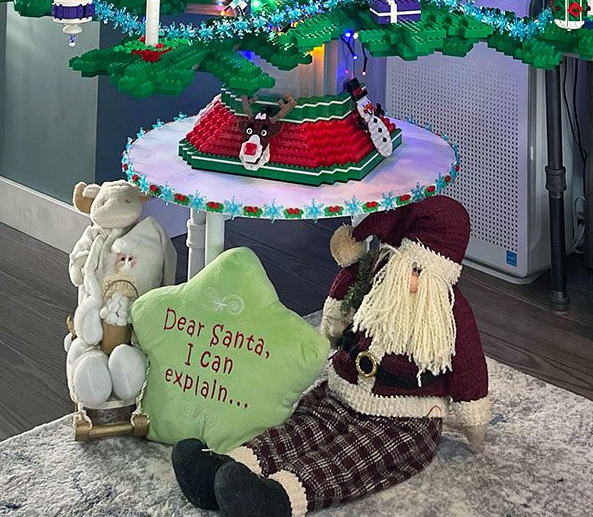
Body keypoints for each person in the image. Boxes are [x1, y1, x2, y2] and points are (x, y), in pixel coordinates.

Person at [172, 196, 489, 516]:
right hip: (343, 394)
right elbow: (340, 307)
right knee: (303, 426)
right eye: (405, 267)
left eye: (421, 271)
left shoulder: (450, 313)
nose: (411, 279)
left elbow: (469, 372)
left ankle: (276, 497)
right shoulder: (375, 280)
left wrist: (473, 421)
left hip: (405, 418)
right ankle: (227, 465)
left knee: (350, 457)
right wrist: (346, 288)